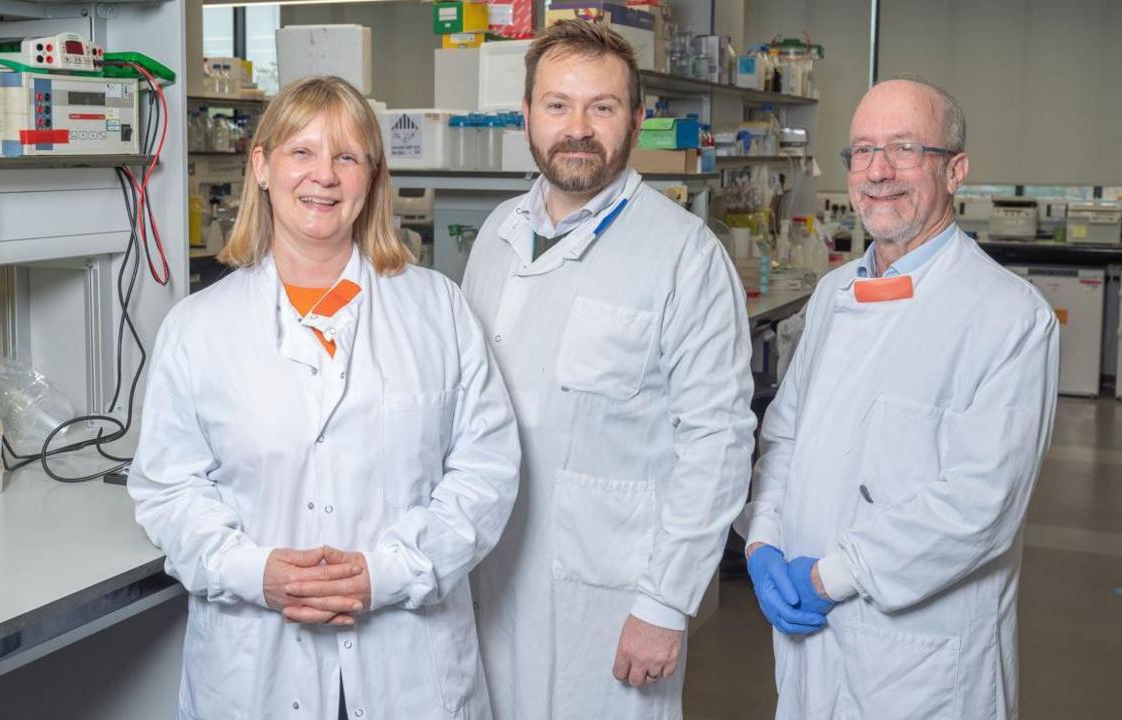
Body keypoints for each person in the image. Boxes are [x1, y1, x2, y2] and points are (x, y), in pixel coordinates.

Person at [128, 76, 520, 720]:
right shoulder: (198, 327)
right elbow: (168, 489)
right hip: (256, 663)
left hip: (408, 664)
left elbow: (486, 471)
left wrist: (391, 573)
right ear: (261, 165)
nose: (324, 177)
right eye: (301, 152)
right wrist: (255, 572)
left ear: (372, 176)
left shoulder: (437, 310)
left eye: (347, 156)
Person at [737, 77, 1060, 719]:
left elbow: (979, 506)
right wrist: (763, 539)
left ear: (955, 170)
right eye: (861, 151)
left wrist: (828, 578)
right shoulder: (832, 295)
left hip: (924, 667)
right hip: (810, 655)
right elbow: (786, 435)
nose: (879, 172)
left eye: (905, 148)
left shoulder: (1008, 317)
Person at [462, 20, 756, 720]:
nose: (578, 128)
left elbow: (717, 441)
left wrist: (664, 602)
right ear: (528, 114)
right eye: (558, 105)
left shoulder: (683, 254)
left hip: (610, 595)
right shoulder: (495, 237)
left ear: (637, 120)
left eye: (603, 107)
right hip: (485, 578)